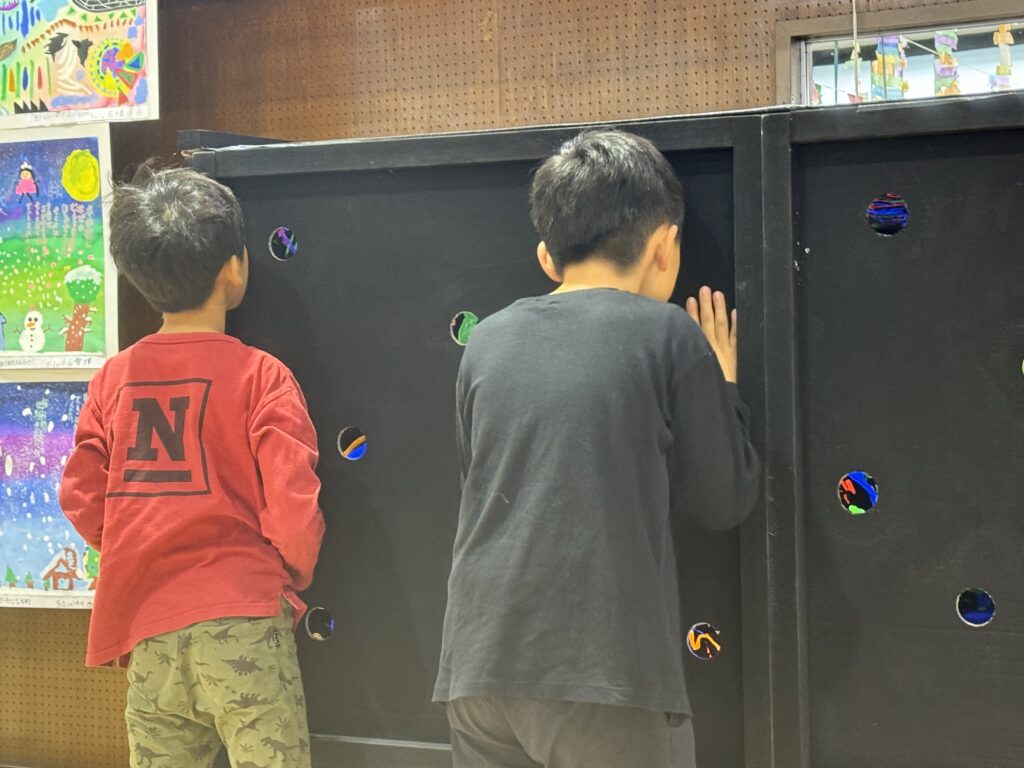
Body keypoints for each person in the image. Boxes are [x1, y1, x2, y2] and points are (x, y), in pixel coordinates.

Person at [433, 130, 761, 768]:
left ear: (547, 257)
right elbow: (722, 499)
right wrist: (723, 385)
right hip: (604, 673)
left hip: (476, 667)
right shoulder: (669, 335)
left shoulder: (487, 341)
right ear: (665, 246)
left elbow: (476, 480)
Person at [60, 166, 324, 768]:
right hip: (244, 615)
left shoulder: (112, 379)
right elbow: (293, 505)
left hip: (146, 625)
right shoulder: (263, 377)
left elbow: (80, 496)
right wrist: (288, 572)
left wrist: (132, 544)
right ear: (235, 269)